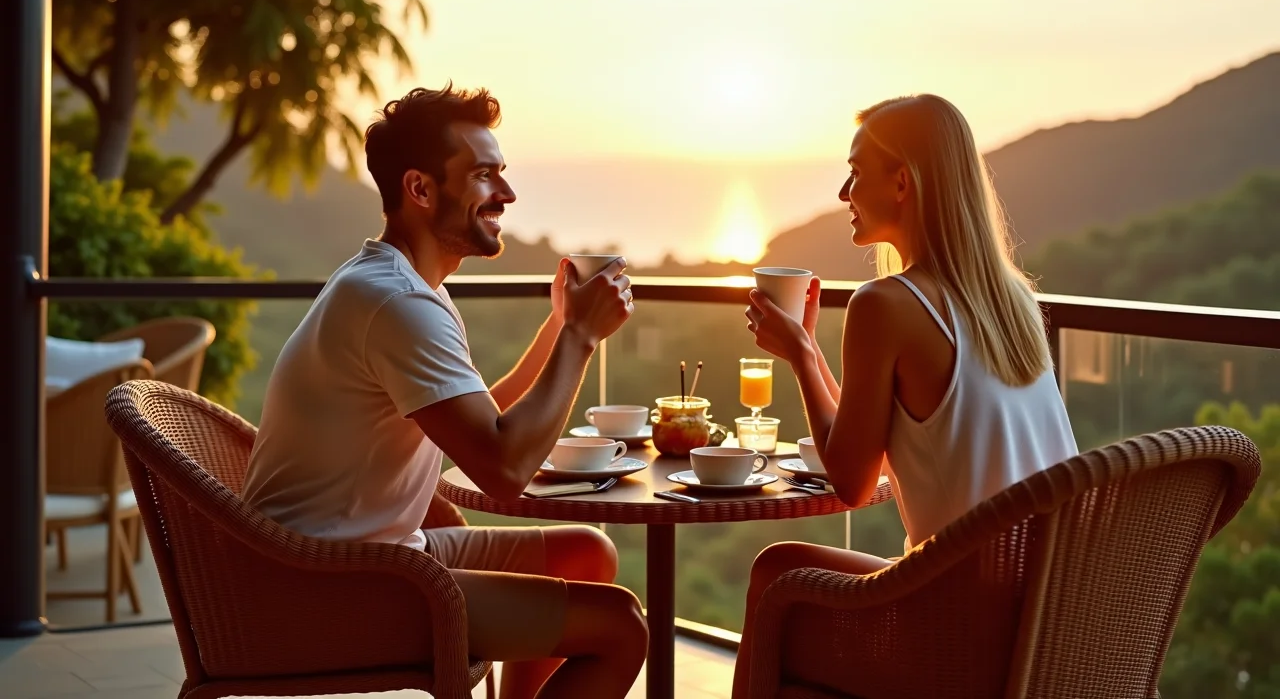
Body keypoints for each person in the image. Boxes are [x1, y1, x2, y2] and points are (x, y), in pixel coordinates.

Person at [242, 85, 647, 699]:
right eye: (485, 176)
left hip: (377, 553)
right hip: (330, 582)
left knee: (587, 554)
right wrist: (582, 339)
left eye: (502, 175)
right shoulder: (399, 303)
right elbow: (504, 469)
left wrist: (559, 328)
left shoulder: (404, 285)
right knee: (622, 629)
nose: (507, 195)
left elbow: (488, 420)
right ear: (421, 190)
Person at [732, 94, 1078, 696]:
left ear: (901, 183)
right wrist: (810, 353)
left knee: (775, 573)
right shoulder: (1014, 301)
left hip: (958, 636)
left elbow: (851, 481)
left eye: (856, 172)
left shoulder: (885, 304)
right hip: (1046, 623)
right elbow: (891, 441)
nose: (843, 192)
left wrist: (802, 356)